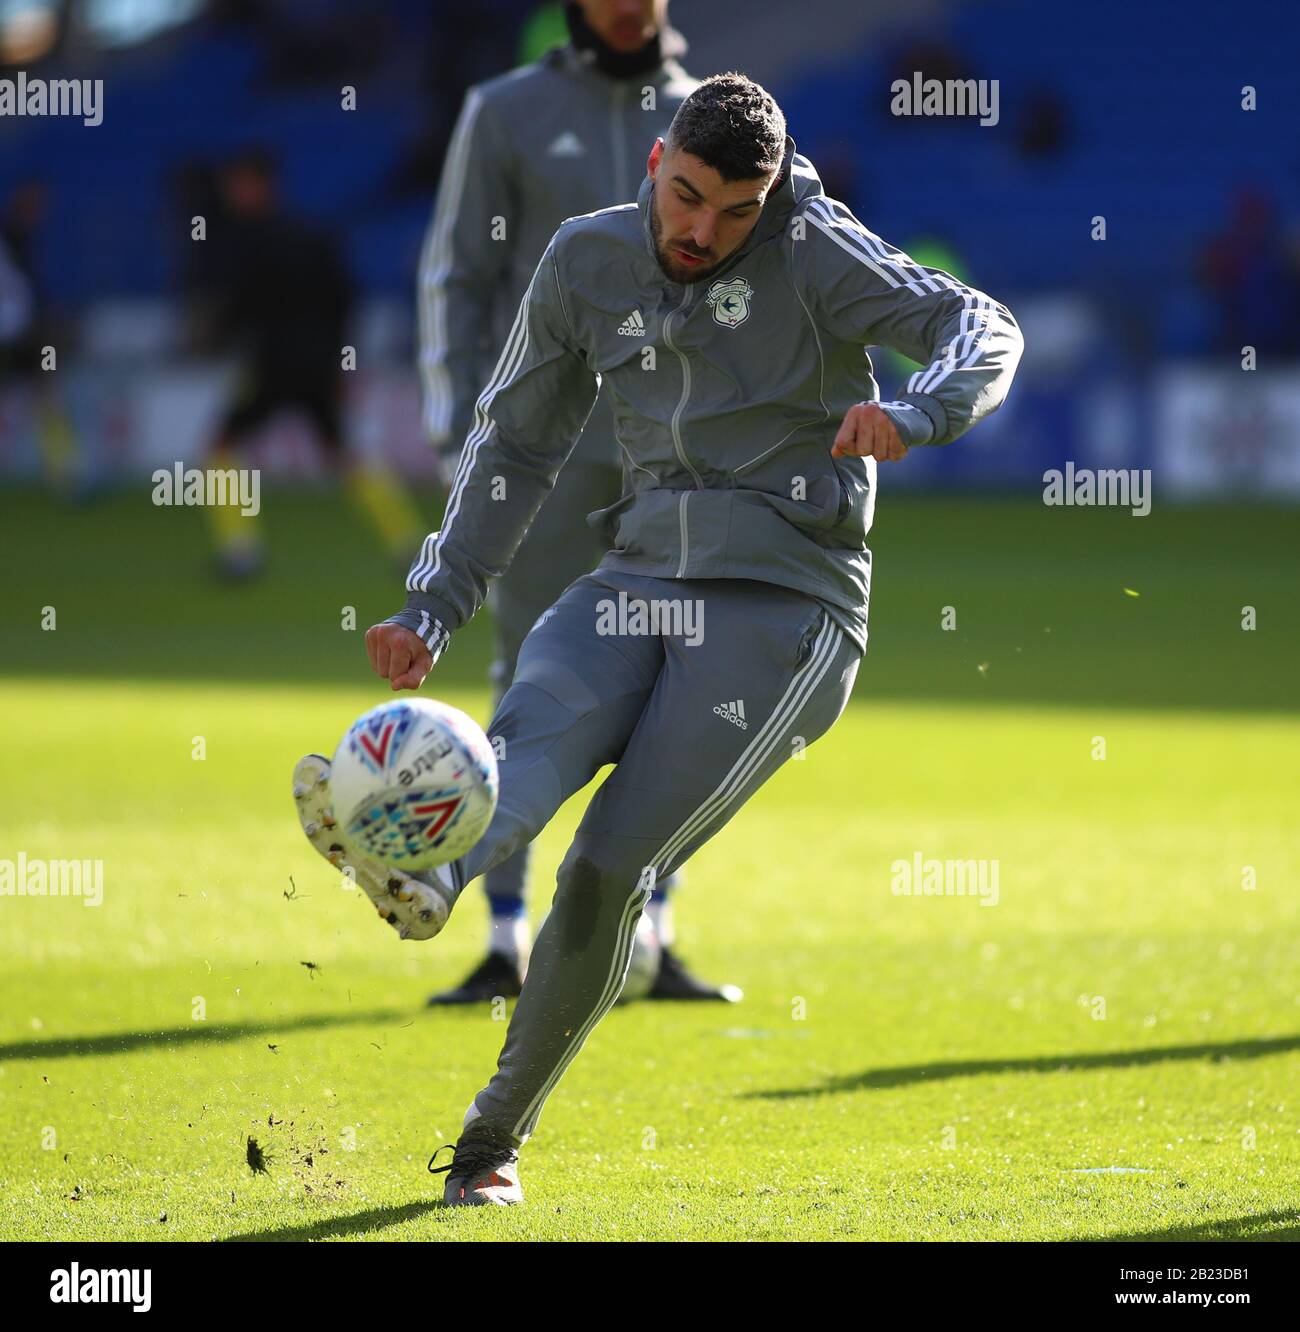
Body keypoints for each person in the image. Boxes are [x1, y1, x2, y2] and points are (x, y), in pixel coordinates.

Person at [293, 73, 1023, 1205]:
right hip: (632, 575)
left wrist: (921, 410)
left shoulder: (817, 247)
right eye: (685, 198)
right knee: (518, 752)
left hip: (787, 608)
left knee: (603, 871)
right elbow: (514, 444)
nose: (702, 231)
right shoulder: (585, 259)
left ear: (771, 196)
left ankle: (488, 1145)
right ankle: (420, 865)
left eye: (736, 212)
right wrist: (433, 602)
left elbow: (980, 322)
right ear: (653, 166)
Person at [418, 0, 735, 1003]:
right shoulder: (503, 110)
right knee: (530, 673)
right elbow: (455, 273)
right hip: (539, 455)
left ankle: (650, 931)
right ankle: (505, 935)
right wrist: (454, 426)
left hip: (677, 456)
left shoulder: (708, 117)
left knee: (676, 680)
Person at [203, 149, 423, 578]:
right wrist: (340, 360)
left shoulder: (246, 239)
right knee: (343, 454)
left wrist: (220, 335)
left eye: (238, 183)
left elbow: (241, 307)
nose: (231, 194)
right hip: (317, 364)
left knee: (221, 447)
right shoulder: (312, 234)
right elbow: (344, 299)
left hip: (272, 365)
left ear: (258, 185)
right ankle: (408, 542)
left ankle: (239, 550)